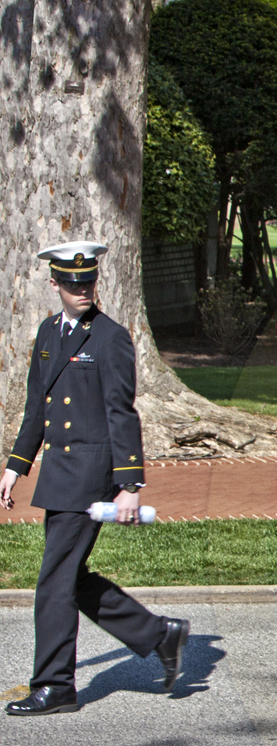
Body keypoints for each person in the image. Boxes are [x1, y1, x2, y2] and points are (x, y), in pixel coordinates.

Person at [2, 242, 190, 716]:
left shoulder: (109, 338)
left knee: (53, 581)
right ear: (55, 285)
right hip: (59, 472)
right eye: (72, 283)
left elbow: (121, 413)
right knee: (71, 577)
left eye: (88, 282)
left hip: (91, 471)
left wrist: (130, 485)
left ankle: (54, 686)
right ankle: (157, 633)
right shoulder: (48, 333)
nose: (82, 289)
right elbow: (36, 409)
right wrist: (15, 464)